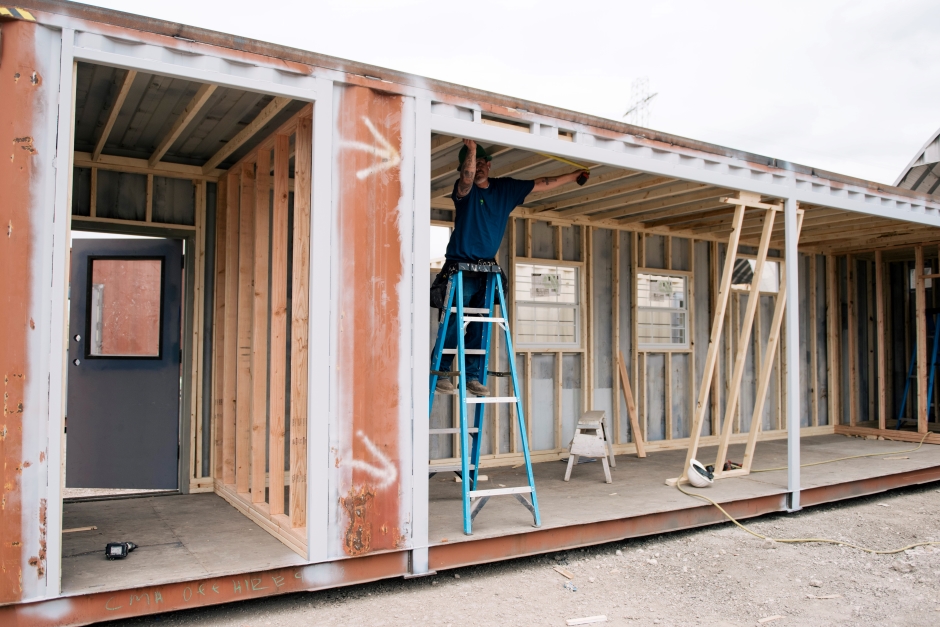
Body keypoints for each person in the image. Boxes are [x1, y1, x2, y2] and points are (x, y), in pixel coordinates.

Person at [433, 139, 589, 396]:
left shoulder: (506, 188)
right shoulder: (465, 189)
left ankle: (472, 376)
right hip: (460, 267)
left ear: (490, 165)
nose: (476, 168)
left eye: (481, 162)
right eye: (471, 164)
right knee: (454, 320)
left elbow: (542, 183)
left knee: (480, 322)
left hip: (486, 269)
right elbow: (467, 178)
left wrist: (573, 176)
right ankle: (442, 372)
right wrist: (471, 150)